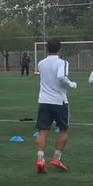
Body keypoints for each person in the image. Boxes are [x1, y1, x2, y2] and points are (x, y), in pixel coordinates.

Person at [35, 39, 77, 173]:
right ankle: (56, 158)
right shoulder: (63, 63)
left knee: (43, 131)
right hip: (59, 101)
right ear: (59, 49)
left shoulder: (41, 63)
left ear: (47, 49)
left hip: (44, 100)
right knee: (64, 130)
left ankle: (40, 159)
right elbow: (61, 77)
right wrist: (71, 84)